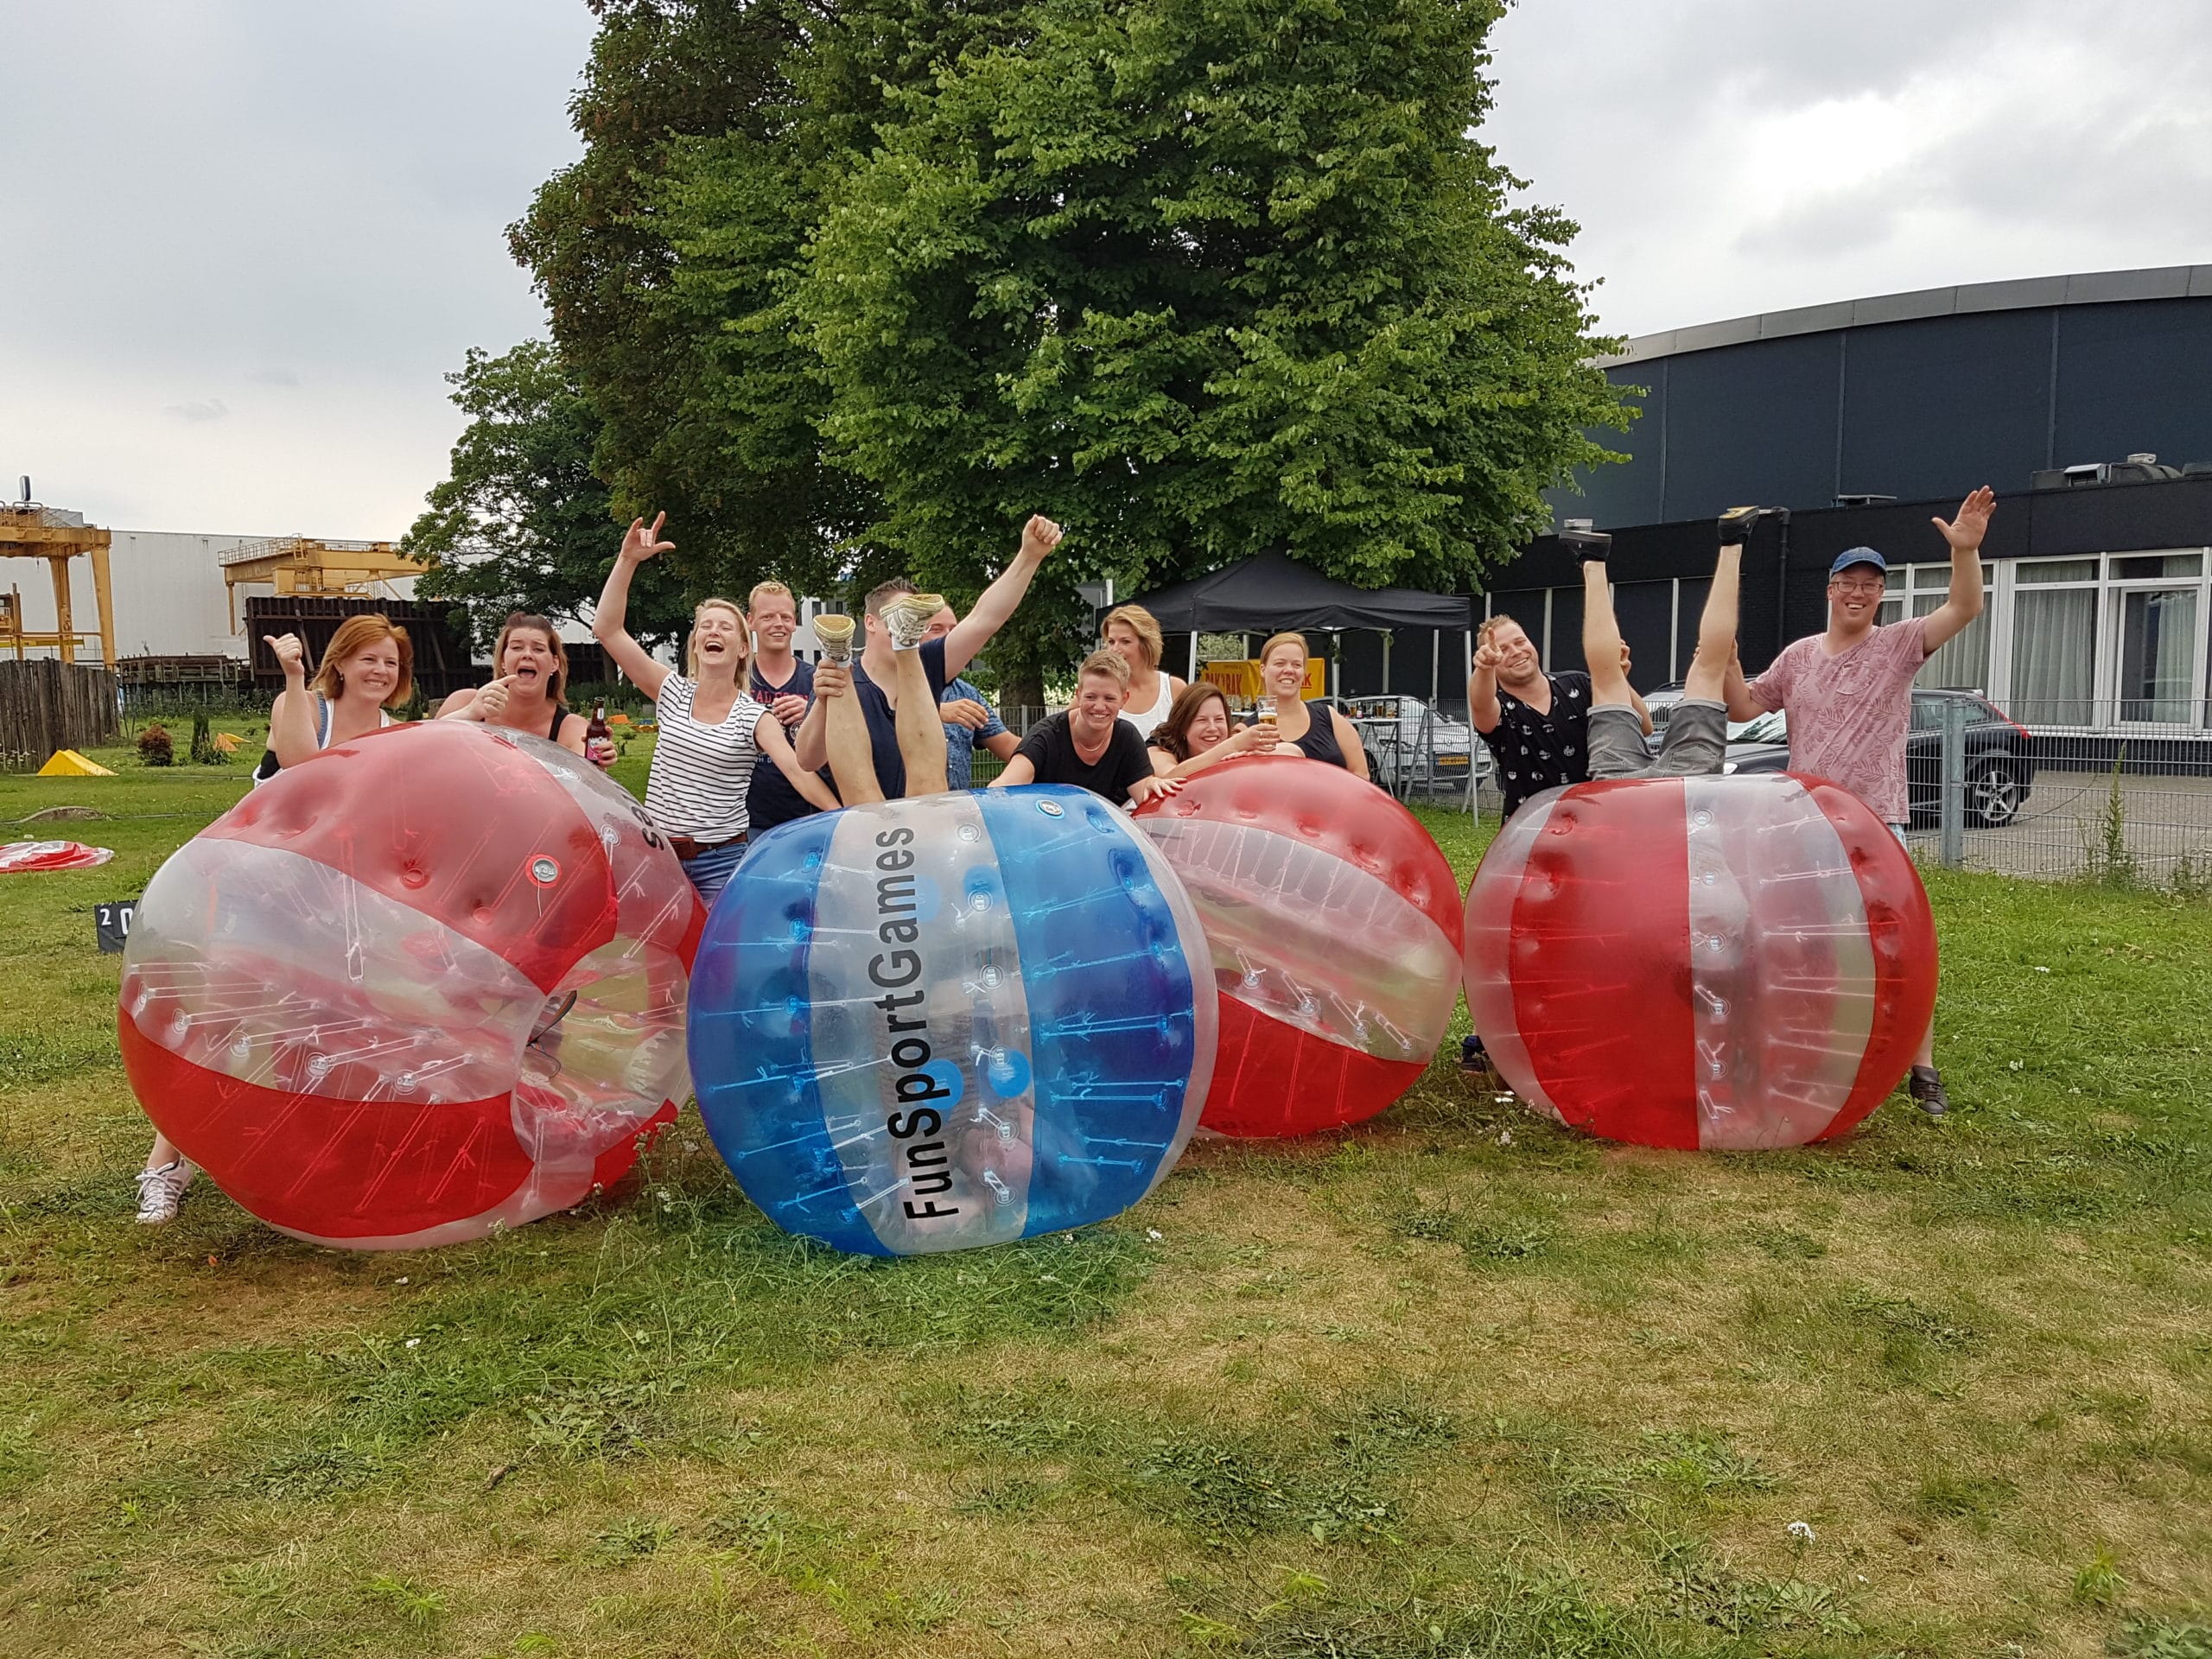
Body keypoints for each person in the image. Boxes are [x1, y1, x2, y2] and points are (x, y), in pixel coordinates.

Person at [1726, 486, 1995, 1116]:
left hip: (1876, 823)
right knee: (1801, 942)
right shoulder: (1797, 657)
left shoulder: (1898, 644)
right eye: (1849, 583)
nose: (1859, 593)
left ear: (1880, 596)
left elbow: (1964, 606)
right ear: (1830, 590)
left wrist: (1965, 551)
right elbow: (1742, 708)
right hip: (1803, 823)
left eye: (1871, 586)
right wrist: (1727, 660)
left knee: (1898, 946)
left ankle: (1922, 1069)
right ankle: (1810, 1051)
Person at [142, 615, 415, 1224]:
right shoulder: (304, 707)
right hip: (259, 891)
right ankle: (166, 1167)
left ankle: (303, 1153)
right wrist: (293, 677)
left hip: (332, 900)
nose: (380, 671)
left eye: (391, 662)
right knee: (223, 1022)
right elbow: (301, 765)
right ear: (339, 662)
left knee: (322, 1027)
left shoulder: (394, 734)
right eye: (368, 658)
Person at [592, 514, 834, 902]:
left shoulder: (754, 716)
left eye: (725, 627)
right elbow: (608, 630)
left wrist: (844, 820)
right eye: (705, 626)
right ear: (695, 642)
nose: (713, 631)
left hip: (722, 861)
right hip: (660, 854)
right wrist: (627, 560)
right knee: (658, 942)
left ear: (742, 648)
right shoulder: (670, 690)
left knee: (718, 944)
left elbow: (799, 773)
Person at [794, 514, 1064, 802]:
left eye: (913, 619)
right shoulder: (841, 679)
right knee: (865, 798)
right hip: (862, 820)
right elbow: (808, 760)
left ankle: (894, 647)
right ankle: (838, 656)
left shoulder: (930, 661)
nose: (914, 625)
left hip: (921, 817)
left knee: (925, 791)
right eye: (896, 616)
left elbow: (984, 619)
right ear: (870, 622)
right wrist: (824, 701)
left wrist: (1029, 556)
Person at [1573, 508, 1751, 780]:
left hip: (1680, 782)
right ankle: (1591, 560)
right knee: (1607, 681)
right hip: (1624, 790)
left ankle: (1733, 542)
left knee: (1709, 667)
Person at [1469, 619, 1650, 823]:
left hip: (1597, 822)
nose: (1516, 652)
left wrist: (1616, 678)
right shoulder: (1500, 710)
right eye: (1502, 650)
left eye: (1520, 642)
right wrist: (1484, 668)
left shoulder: (1580, 685)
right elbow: (1480, 703)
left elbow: (1643, 726)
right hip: (1533, 830)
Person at [988, 650, 1179, 805]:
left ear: (1124, 699)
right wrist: (991, 800)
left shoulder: (1126, 737)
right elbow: (1004, 786)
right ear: (1078, 695)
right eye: (1091, 697)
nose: (1099, 706)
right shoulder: (1046, 736)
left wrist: (1153, 785)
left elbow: (1144, 792)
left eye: (1109, 698)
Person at [436, 613, 596, 761]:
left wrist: (598, 760)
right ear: (503, 661)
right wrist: (470, 712)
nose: (527, 655)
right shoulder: (463, 701)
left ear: (554, 664)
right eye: (517, 647)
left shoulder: (572, 728)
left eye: (538, 649)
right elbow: (428, 748)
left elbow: (588, 778)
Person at [743, 581, 831, 838]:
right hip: (748, 821)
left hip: (809, 816)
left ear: (795, 623)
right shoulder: (738, 681)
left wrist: (813, 712)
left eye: (785, 617)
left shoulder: (817, 680)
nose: (778, 624)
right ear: (751, 621)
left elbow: (844, 742)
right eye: (767, 617)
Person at [917, 601, 1020, 789]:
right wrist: (935, 711)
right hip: (907, 804)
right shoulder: (890, 686)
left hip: (956, 804)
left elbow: (1008, 745)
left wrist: (1061, 729)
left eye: (954, 630)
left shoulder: (966, 693)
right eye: (936, 629)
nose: (948, 637)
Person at [1248, 632, 1370, 781]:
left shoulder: (1330, 718)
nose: (1289, 670)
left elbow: (1361, 774)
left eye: (1297, 665)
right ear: (1262, 669)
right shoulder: (1246, 730)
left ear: (1304, 672)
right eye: (1280, 663)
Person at [1147, 682, 1278, 781]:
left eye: (1219, 719)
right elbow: (1168, 777)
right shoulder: (1160, 744)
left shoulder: (1235, 742)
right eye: (1202, 720)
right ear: (1183, 725)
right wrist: (1232, 746)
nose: (1212, 728)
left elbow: (1289, 751)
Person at [1102, 604, 1185, 740]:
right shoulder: (1098, 688)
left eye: (1125, 642)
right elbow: (1066, 728)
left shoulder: (1174, 689)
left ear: (1146, 645)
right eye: (1111, 642)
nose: (1115, 649)